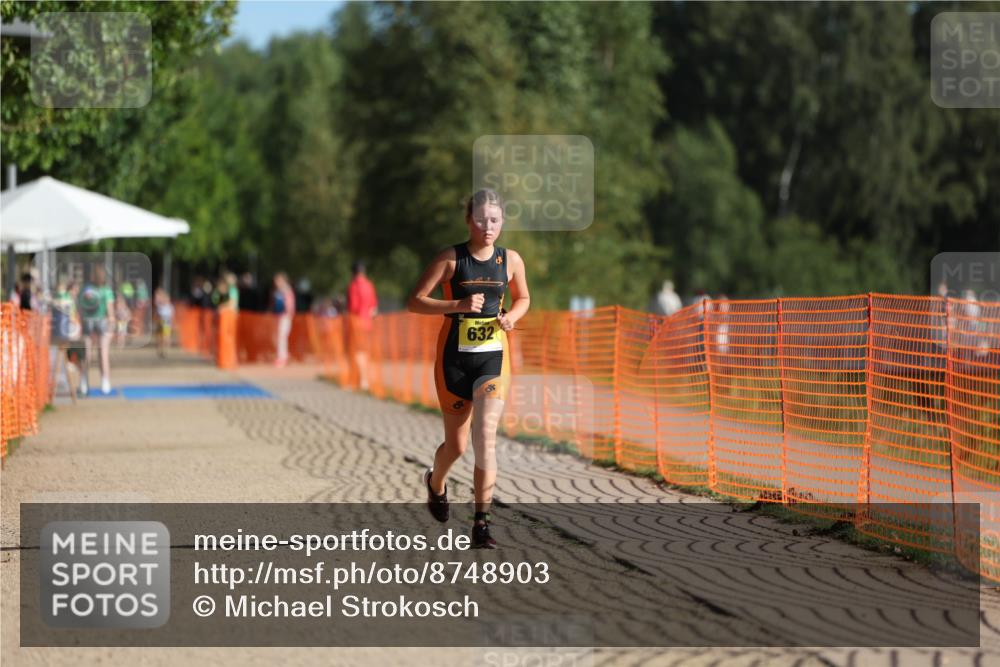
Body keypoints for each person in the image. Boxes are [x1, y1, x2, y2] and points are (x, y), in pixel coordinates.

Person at [406, 188, 531, 549]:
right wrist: (456, 303)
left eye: (494, 220)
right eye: (480, 220)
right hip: (454, 361)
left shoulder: (511, 261)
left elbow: (523, 297)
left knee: (485, 437)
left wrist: (512, 317)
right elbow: (414, 301)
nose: (487, 227)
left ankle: (481, 524)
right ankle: (436, 483)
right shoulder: (450, 259)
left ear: (502, 221)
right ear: (468, 221)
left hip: (493, 358)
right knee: (457, 446)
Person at [78, 265, 115, 395]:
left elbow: (81, 307)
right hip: (97, 321)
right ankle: (103, 381)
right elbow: (110, 310)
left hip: (92, 321)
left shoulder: (87, 289)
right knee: (100, 353)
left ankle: (85, 382)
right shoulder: (104, 290)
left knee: (92, 354)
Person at [346, 261, 378, 391]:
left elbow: (353, 306)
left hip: (356, 322)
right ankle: (364, 379)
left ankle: (363, 380)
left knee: (357, 351)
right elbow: (374, 306)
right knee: (365, 351)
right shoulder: (369, 285)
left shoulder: (353, 286)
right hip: (368, 322)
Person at [271, 272, 295, 367]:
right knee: (279, 337)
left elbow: (289, 304)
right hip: (278, 316)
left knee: (282, 337)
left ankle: (282, 357)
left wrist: (289, 314)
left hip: (285, 316)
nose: (276, 282)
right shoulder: (278, 291)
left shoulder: (286, 290)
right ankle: (282, 355)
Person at [154, 287, 174, 359]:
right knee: (159, 337)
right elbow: (156, 315)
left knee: (166, 337)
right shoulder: (159, 306)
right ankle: (160, 350)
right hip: (160, 321)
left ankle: (166, 351)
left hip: (166, 322)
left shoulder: (169, 307)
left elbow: (171, 316)